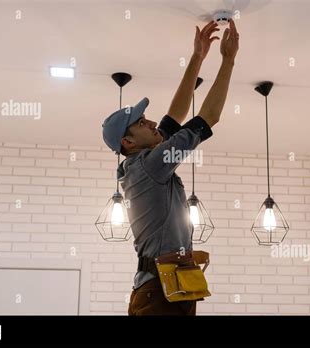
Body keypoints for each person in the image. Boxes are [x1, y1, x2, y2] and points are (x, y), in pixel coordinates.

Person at [102, 19, 239, 315]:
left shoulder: (145, 160)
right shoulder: (151, 164)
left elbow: (173, 117)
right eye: (141, 123)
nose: (151, 123)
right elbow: (209, 117)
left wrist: (198, 57)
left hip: (169, 288)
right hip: (159, 294)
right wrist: (228, 60)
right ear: (127, 141)